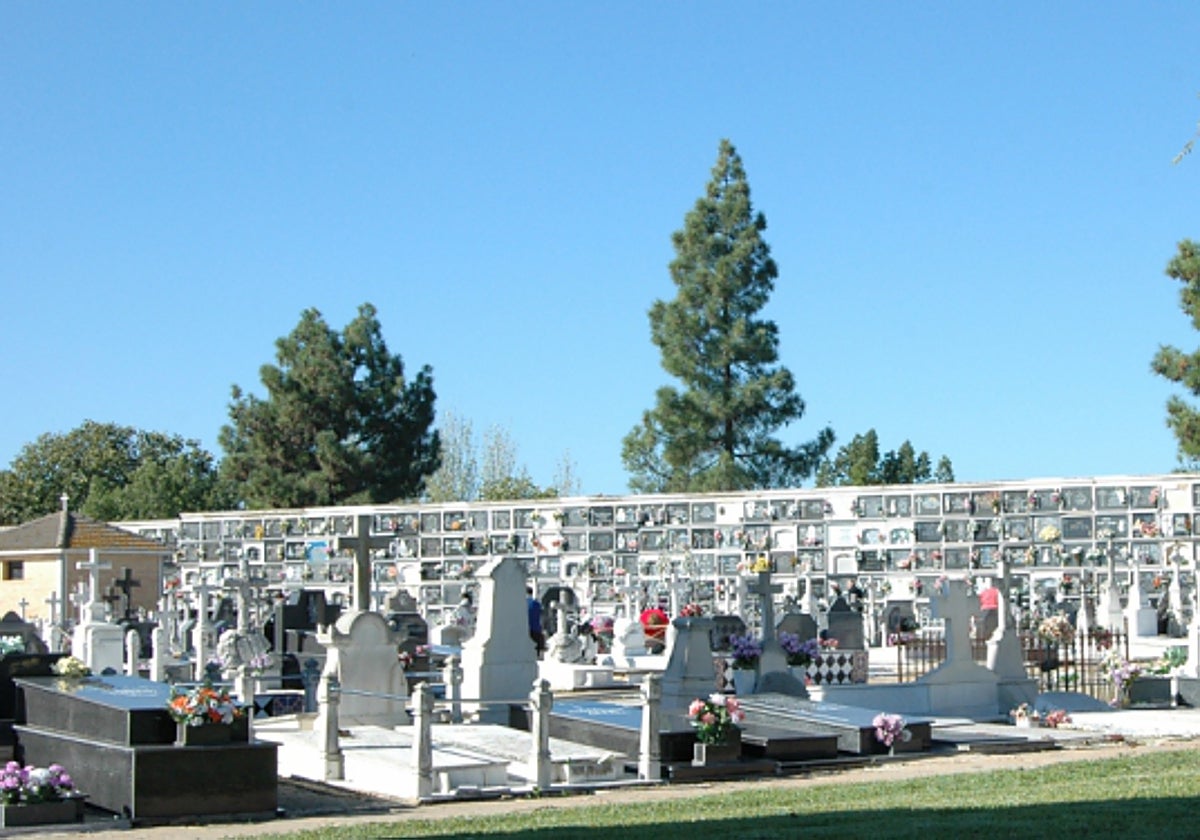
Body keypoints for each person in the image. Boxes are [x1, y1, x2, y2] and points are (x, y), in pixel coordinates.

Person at [527, 586, 545, 656]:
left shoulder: (522, 603)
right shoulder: (537, 604)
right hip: (536, 630)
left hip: (526, 630)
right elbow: (541, 616)